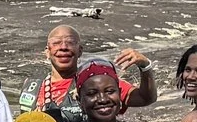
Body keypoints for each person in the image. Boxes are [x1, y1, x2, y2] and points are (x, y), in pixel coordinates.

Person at [23, 23, 158, 115]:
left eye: (70, 42)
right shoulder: (31, 87)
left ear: (80, 50)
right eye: (56, 43)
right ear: (47, 52)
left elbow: (145, 98)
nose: (63, 47)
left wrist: (145, 67)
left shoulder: (96, 82)